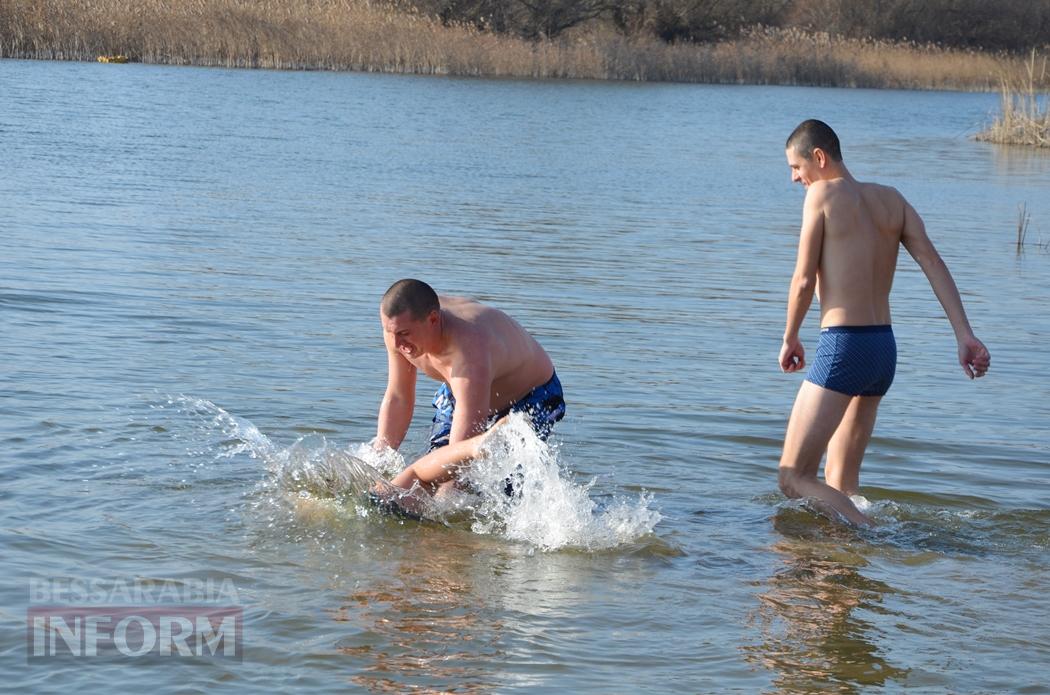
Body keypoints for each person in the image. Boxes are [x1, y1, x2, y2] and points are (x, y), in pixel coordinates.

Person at [777, 119, 990, 527]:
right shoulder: (893, 200)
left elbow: (804, 279)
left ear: (818, 158)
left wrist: (790, 336)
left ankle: (872, 534)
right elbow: (933, 262)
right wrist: (964, 335)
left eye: (795, 167)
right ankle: (844, 584)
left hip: (843, 346)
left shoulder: (821, 194)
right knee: (841, 484)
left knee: (792, 477)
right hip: (882, 351)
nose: (794, 178)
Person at [373, 279, 565, 499]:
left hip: (531, 398)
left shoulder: (470, 350)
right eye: (390, 333)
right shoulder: (399, 328)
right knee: (430, 474)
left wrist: (443, 506)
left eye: (404, 334)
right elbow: (399, 397)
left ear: (433, 319)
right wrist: (379, 457)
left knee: (489, 491)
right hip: (460, 391)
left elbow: (459, 460)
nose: (397, 344)